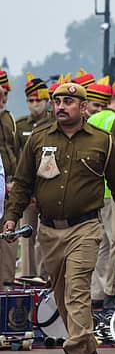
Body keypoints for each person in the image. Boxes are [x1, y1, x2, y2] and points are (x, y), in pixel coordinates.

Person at [3, 82, 115, 354]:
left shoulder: (102, 141)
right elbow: (24, 183)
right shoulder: (39, 139)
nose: (61, 106)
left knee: (77, 288)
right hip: (50, 231)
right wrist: (12, 219)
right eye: (57, 101)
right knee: (63, 294)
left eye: (69, 101)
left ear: (83, 107)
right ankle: (88, 346)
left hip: (86, 227)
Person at [84, 77, 115, 310]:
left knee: (100, 243)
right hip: (109, 189)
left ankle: (97, 292)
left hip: (92, 189)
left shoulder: (91, 119)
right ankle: (111, 289)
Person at [14, 72, 53, 277]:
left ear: (47, 101)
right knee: (27, 234)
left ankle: (44, 276)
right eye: (31, 100)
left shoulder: (54, 124)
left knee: (45, 236)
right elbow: (15, 157)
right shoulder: (20, 126)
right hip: (27, 188)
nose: (35, 104)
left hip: (48, 187)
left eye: (39, 100)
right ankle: (29, 277)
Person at [0, 71, 18, 284]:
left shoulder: (8, 118)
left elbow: (14, 151)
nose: (3, 99)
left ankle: (7, 284)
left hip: (10, 182)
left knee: (10, 234)